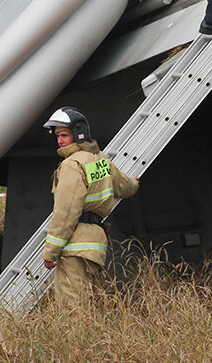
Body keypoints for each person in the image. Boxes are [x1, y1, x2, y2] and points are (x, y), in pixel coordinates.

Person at [41, 106, 139, 305]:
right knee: (88, 308)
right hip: (95, 246)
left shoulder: (72, 164)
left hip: (75, 247)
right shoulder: (100, 159)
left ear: (78, 134)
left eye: (64, 135)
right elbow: (123, 186)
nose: (59, 141)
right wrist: (134, 183)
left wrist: (50, 253)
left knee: (72, 311)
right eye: (57, 136)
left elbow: (67, 212)